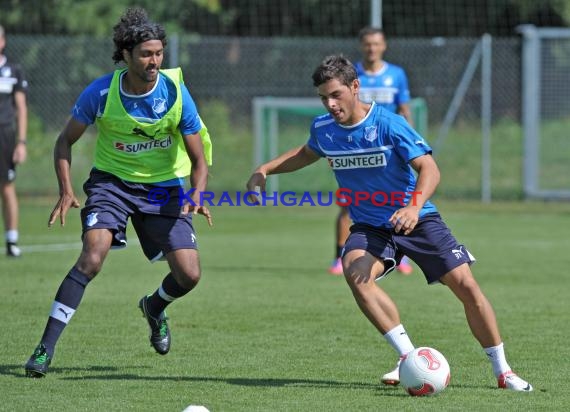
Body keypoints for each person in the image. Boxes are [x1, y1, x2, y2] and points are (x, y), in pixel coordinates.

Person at [246, 55, 532, 392]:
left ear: (355, 87)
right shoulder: (324, 129)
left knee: (466, 286)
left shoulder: (389, 124)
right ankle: (408, 358)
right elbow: (306, 153)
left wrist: (413, 207)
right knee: (356, 273)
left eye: (336, 94)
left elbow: (430, 169)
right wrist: (264, 169)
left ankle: (504, 371)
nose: (330, 104)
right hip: (370, 227)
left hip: (417, 219)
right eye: (324, 97)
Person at [24, 7, 213, 378]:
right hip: (112, 184)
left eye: (158, 53)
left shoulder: (175, 94)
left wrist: (199, 191)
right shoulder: (102, 92)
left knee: (189, 275)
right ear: (125, 55)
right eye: (145, 54)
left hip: (162, 188)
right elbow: (64, 142)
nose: (154, 61)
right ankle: (44, 348)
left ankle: (154, 308)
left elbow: (199, 158)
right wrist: (65, 190)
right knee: (93, 256)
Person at [329, 27, 413, 276]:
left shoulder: (397, 75)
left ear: (384, 45)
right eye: (367, 44)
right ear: (361, 45)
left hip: (389, 150)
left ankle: (402, 255)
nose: (372, 48)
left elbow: (404, 111)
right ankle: (339, 256)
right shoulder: (351, 75)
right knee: (347, 205)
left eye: (376, 44)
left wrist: (409, 144)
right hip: (356, 151)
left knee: (399, 201)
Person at [0, 24, 28, 257]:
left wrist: (21, 142)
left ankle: (12, 240)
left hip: (5, 135)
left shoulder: (13, 70)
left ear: (3, 41)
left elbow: (21, 107)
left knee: (6, 186)